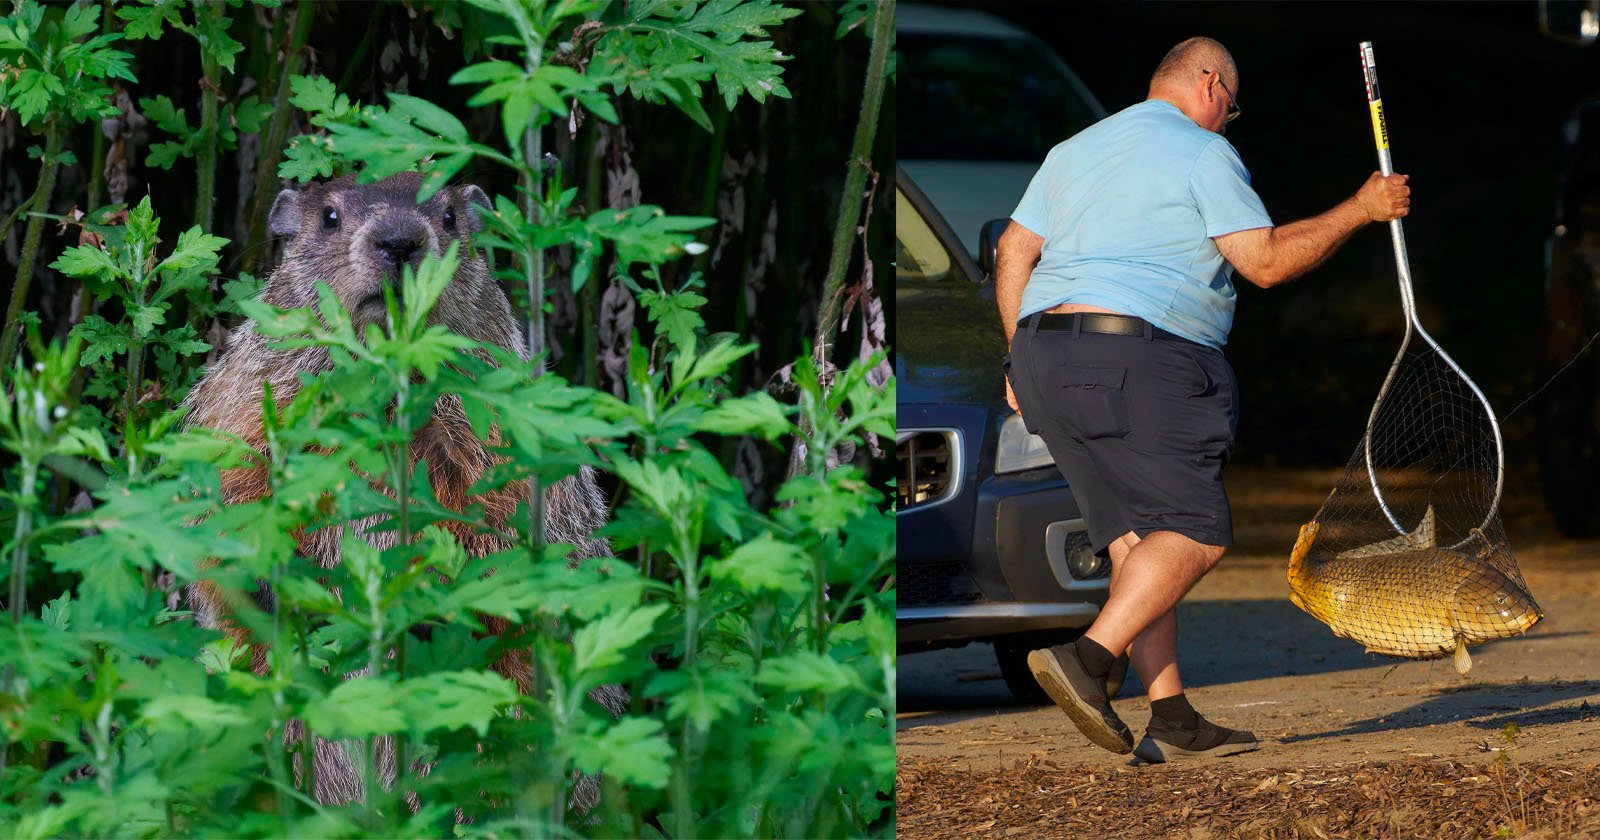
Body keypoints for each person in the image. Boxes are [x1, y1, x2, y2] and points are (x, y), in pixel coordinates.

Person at [996, 36, 1411, 763]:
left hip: (1040, 355)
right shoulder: (1200, 148)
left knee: (1137, 538)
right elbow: (1266, 263)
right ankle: (1087, 660)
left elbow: (1012, 251)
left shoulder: (1075, 148)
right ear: (1211, 85)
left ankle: (1173, 717)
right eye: (1231, 108)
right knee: (1195, 532)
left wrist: (1013, 357)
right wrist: (1361, 209)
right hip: (1139, 356)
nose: (1228, 122)